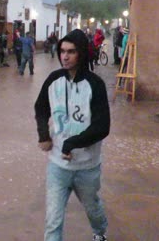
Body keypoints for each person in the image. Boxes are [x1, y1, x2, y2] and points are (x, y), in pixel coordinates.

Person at [34, 29, 110, 241]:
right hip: (57, 165)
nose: (64, 56)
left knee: (93, 209)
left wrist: (71, 144)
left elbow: (103, 127)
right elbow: (41, 108)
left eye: (71, 52)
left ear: (82, 53)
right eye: (62, 51)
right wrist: (43, 135)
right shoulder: (53, 80)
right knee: (53, 219)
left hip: (87, 166)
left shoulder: (95, 85)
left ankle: (100, 233)